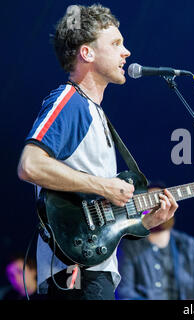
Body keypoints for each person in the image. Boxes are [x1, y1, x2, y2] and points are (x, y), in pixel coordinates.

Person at [17, 4, 178, 300]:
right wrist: (104, 185)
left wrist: (145, 223)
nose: (126, 52)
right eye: (116, 43)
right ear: (87, 53)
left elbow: (100, 212)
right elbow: (30, 165)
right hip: (73, 273)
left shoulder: (95, 112)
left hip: (93, 268)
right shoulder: (71, 101)